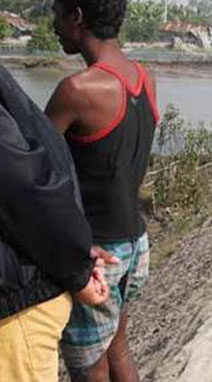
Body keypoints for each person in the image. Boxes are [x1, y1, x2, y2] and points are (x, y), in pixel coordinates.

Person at [45, 0, 159, 380]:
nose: (54, 25)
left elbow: (30, 166)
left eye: (56, 13)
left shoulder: (78, 90)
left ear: (76, 17)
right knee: (118, 349)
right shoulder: (144, 77)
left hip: (96, 254)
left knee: (89, 367)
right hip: (134, 243)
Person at [0, 63, 116, 382]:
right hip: (19, 295)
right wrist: (76, 263)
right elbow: (21, 181)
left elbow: (22, 182)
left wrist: (76, 259)